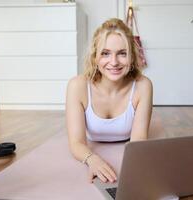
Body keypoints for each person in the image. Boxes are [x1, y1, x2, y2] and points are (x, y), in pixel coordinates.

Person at [65, 18, 153, 184]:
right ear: (95, 56)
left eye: (122, 53)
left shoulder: (143, 86)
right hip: (91, 149)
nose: (114, 62)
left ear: (132, 56)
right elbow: (76, 142)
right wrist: (93, 160)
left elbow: (139, 140)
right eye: (105, 53)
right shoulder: (77, 86)